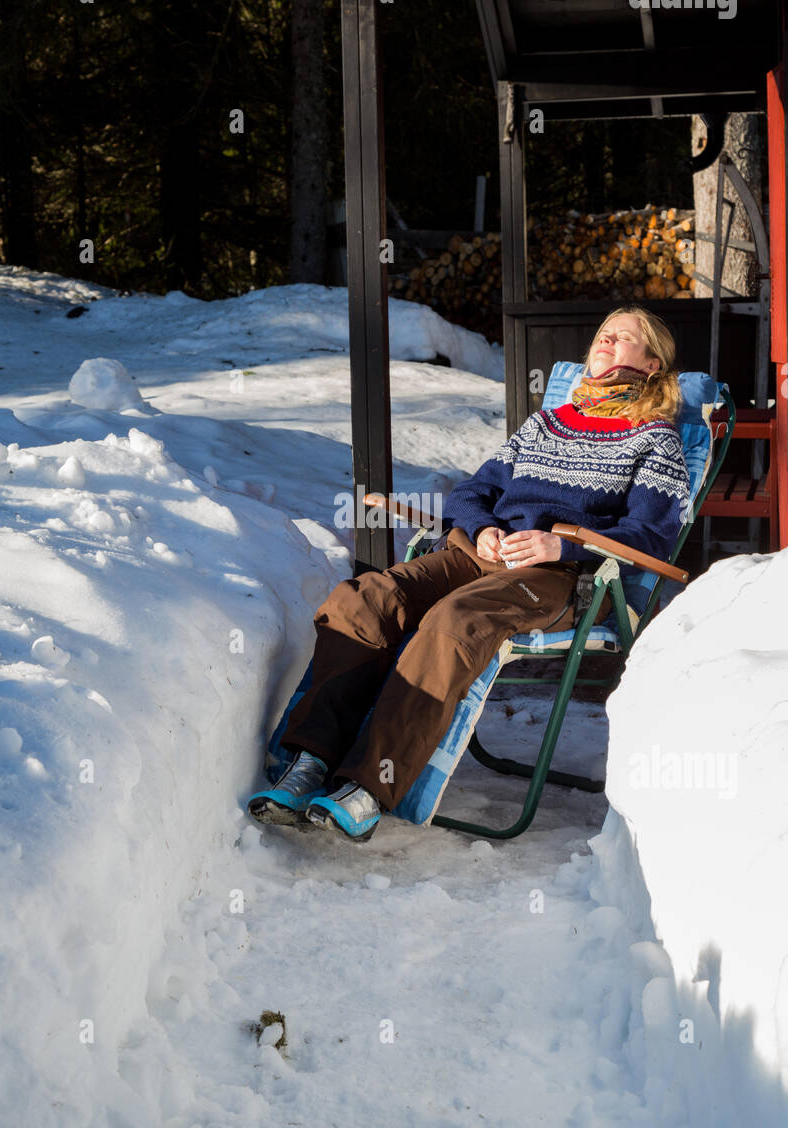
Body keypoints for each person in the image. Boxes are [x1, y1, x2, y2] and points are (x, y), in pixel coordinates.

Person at [248, 305, 690, 843]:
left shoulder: (656, 439)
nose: (606, 341)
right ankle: (309, 764)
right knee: (364, 599)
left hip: (554, 572)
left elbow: (650, 537)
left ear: (651, 363)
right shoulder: (550, 422)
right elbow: (472, 492)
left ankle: (370, 787)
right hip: (477, 550)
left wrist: (560, 542)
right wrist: (480, 527)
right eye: (603, 334)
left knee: (454, 621)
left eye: (623, 338)